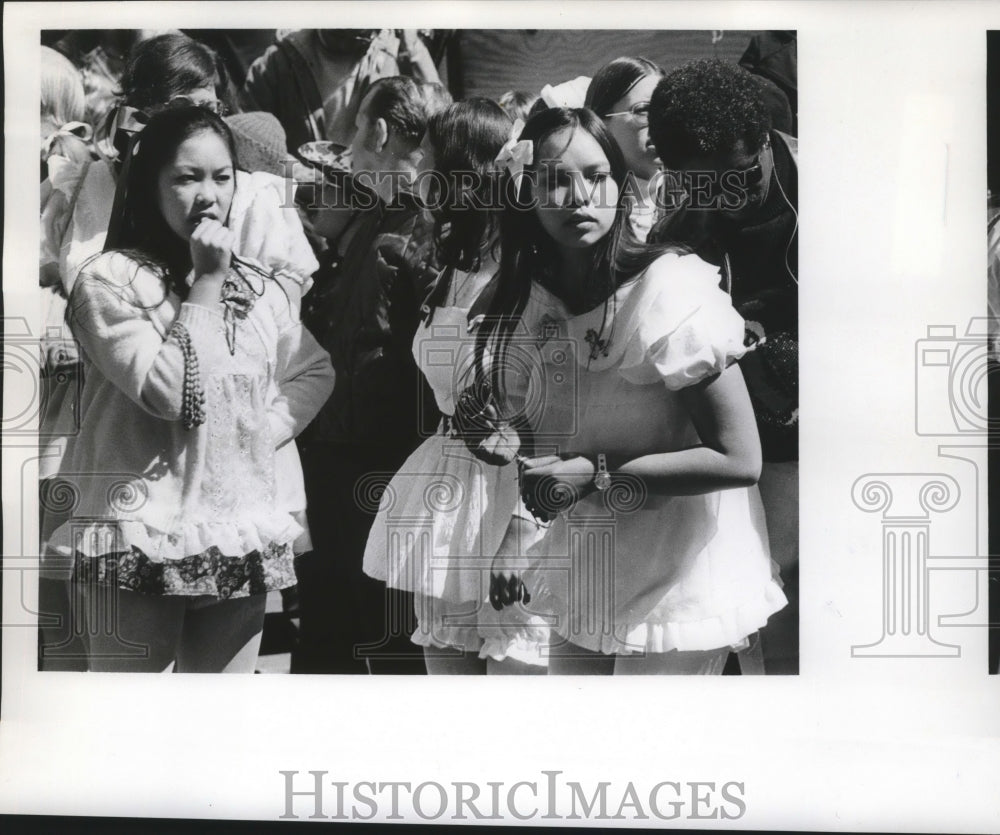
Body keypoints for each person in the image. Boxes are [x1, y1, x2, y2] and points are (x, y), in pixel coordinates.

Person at [38, 34, 320, 671]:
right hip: (134, 504)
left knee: (222, 726)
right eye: (187, 177)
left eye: (221, 176)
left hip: (229, 512)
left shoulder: (253, 257)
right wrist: (207, 282)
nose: (210, 195)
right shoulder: (110, 274)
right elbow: (171, 395)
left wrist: (253, 429)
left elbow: (307, 365)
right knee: (119, 709)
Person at [482, 107, 786, 675]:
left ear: (621, 188)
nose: (578, 196)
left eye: (596, 176)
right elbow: (542, 445)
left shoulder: (669, 291)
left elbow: (739, 458)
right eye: (554, 180)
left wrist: (596, 471)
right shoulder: (531, 303)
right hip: (589, 567)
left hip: (681, 573)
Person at [361, 99, 549, 674]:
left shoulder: (531, 278)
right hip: (448, 493)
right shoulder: (450, 268)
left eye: (429, 156)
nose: (416, 165)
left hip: (514, 497)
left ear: (462, 174)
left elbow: (556, 418)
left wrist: (522, 530)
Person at [647, 59, 799, 674]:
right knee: (760, 616)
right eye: (705, 186)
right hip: (746, 439)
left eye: (740, 176)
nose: (728, 199)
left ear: (766, 140)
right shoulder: (675, 209)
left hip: (843, 443)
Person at [295, 76, 445, 674]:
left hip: (384, 461)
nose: (351, 141)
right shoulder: (385, 213)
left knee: (385, 638)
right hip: (341, 452)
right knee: (334, 630)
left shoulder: (425, 221)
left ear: (380, 130)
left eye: (357, 126)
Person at [241, 29, 443, 155]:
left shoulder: (391, 56)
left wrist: (415, 52)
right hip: (295, 200)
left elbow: (442, 124)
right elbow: (247, 140)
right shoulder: (277, 63)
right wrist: (293, 172)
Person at [585, 56, 664, 241]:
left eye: (665, 110)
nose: (661, 123)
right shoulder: (583, 202)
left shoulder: (695, 199)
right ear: (600, 121)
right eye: (643, 110)